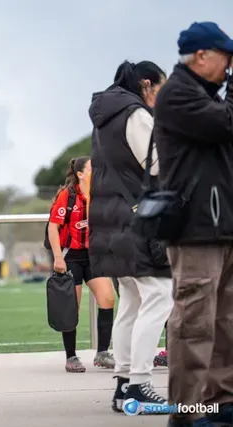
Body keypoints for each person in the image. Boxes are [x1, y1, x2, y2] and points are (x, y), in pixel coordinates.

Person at [153, 22, 233, 427]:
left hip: (222, 226)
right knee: (195, 325)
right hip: (196, 230)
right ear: (202, 55)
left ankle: (222, 401)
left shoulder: (206, 96)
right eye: (226, 57)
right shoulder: (177, 95)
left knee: (226, 325)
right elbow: (224, 124)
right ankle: (187, 411)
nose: (229, 66)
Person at [88, 60, 172, 412]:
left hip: (109, 219)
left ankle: (124, 385)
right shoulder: (135, 114)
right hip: (135, 218)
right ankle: (140, 382)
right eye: (161, 91)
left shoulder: (103, 117)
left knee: (132, 301)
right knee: (160, 294)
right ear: (147, 85)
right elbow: (156, 162)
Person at [47, 156, 115, 373]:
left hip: (94, 256)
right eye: (92, 169)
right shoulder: (67, 196)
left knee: (107, 299)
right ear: (80, 174)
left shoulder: (99, 195)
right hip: (71, 257)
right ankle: (71, 356)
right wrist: (58, 257)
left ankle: (102, 352)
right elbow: (52, 227)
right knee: (71, 307)